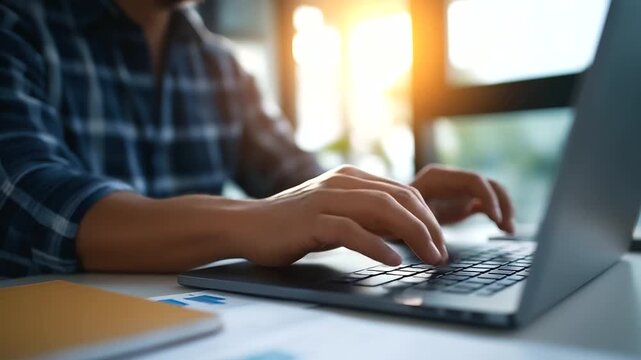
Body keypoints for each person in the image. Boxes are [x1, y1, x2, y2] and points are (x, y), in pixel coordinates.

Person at [0, 0, 514, 278]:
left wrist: (394, 202)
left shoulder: (219, 66)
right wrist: (255, 221)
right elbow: (34, 203)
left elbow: (301, 182)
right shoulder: (17, 23)